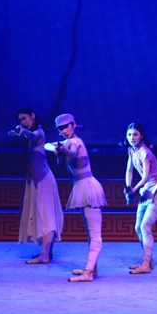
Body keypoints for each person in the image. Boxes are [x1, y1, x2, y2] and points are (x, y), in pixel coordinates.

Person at [52, 113, 107, 282]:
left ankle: (88, 272)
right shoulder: (69, 142)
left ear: (73, 125)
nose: (64, 130)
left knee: (94, 233)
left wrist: (63, 150)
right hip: (83, 186)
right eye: (60, 128)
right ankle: (92, 268)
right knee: (90, 232)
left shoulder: (74, 142)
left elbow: (73, 153)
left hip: (88, 188)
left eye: (66, 126)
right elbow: (65, 157)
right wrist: (59, 151)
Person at [8, 105, 63, 264]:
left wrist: (22, 131)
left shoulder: (39, 133)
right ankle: (47, 252)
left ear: (32, 115)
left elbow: (33, 136)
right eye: (20, 120)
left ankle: (44, 255)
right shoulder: (32, 134)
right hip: (35, 180)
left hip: (43, 180)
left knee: (47, 216)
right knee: (42, 215)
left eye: (25, 118)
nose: (23, 122)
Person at [124, 123, 157, 274]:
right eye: (129, 134)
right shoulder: (131, 150)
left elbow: (145, 177)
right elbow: (129, 170)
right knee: (138, 227)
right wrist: (128, 187)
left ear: (141, 136)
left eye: (135, 134)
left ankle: (145, 264)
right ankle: (148, 261)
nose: (132, 137)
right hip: (146, 191)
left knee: (145, 226)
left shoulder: (145, 152)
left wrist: (133, 190)